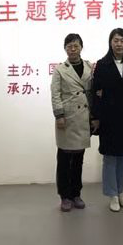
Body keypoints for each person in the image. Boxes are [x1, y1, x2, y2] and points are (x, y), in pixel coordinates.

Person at [90, 28, 123, 212]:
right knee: (110, 157)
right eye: (115, 40)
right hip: (108, 117)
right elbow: (96, 93)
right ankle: (111, 194)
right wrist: (96, 117)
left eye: (122, 40)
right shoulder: (102, 64)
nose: (119, 44)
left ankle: (120, 192)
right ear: (110, 43)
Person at [51, 33, 94, 212]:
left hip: (83, 117)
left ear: (81, 47)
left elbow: (92, 93)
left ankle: (76, 194)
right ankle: (64, 196)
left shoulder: (89, 66)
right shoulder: (60, 69)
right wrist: (59, 115)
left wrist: (94, 116)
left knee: (78, 159)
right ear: (65, 49)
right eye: (69, 46)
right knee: (64, 159)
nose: (73, 49)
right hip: (67, 118)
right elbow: (55, 94)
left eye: (76, 45)